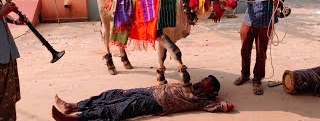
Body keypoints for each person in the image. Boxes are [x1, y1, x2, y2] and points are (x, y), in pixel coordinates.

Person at [52, 75, 234, 121]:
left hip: (154, 103)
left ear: (211, 89)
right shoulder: (189, 83)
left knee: (118, 108)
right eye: (206, 78)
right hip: (148, 91)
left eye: (208, 81)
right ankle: (73, 105)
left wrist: (215, 99)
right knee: (111, 94)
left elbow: (228, 106)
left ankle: (75, 118)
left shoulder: (203, 100)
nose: (204, 80)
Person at [232, 0, 284, 95]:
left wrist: (277, 0)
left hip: (265, 22)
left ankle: (257, 80)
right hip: (249, 20)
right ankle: (244, 74)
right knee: (244, 49)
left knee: (261, 53)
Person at [0, 0, 25, 120]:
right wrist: (2, 12)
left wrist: (15, 20)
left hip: (6, 53)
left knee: (8, 101)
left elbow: (2, 15)